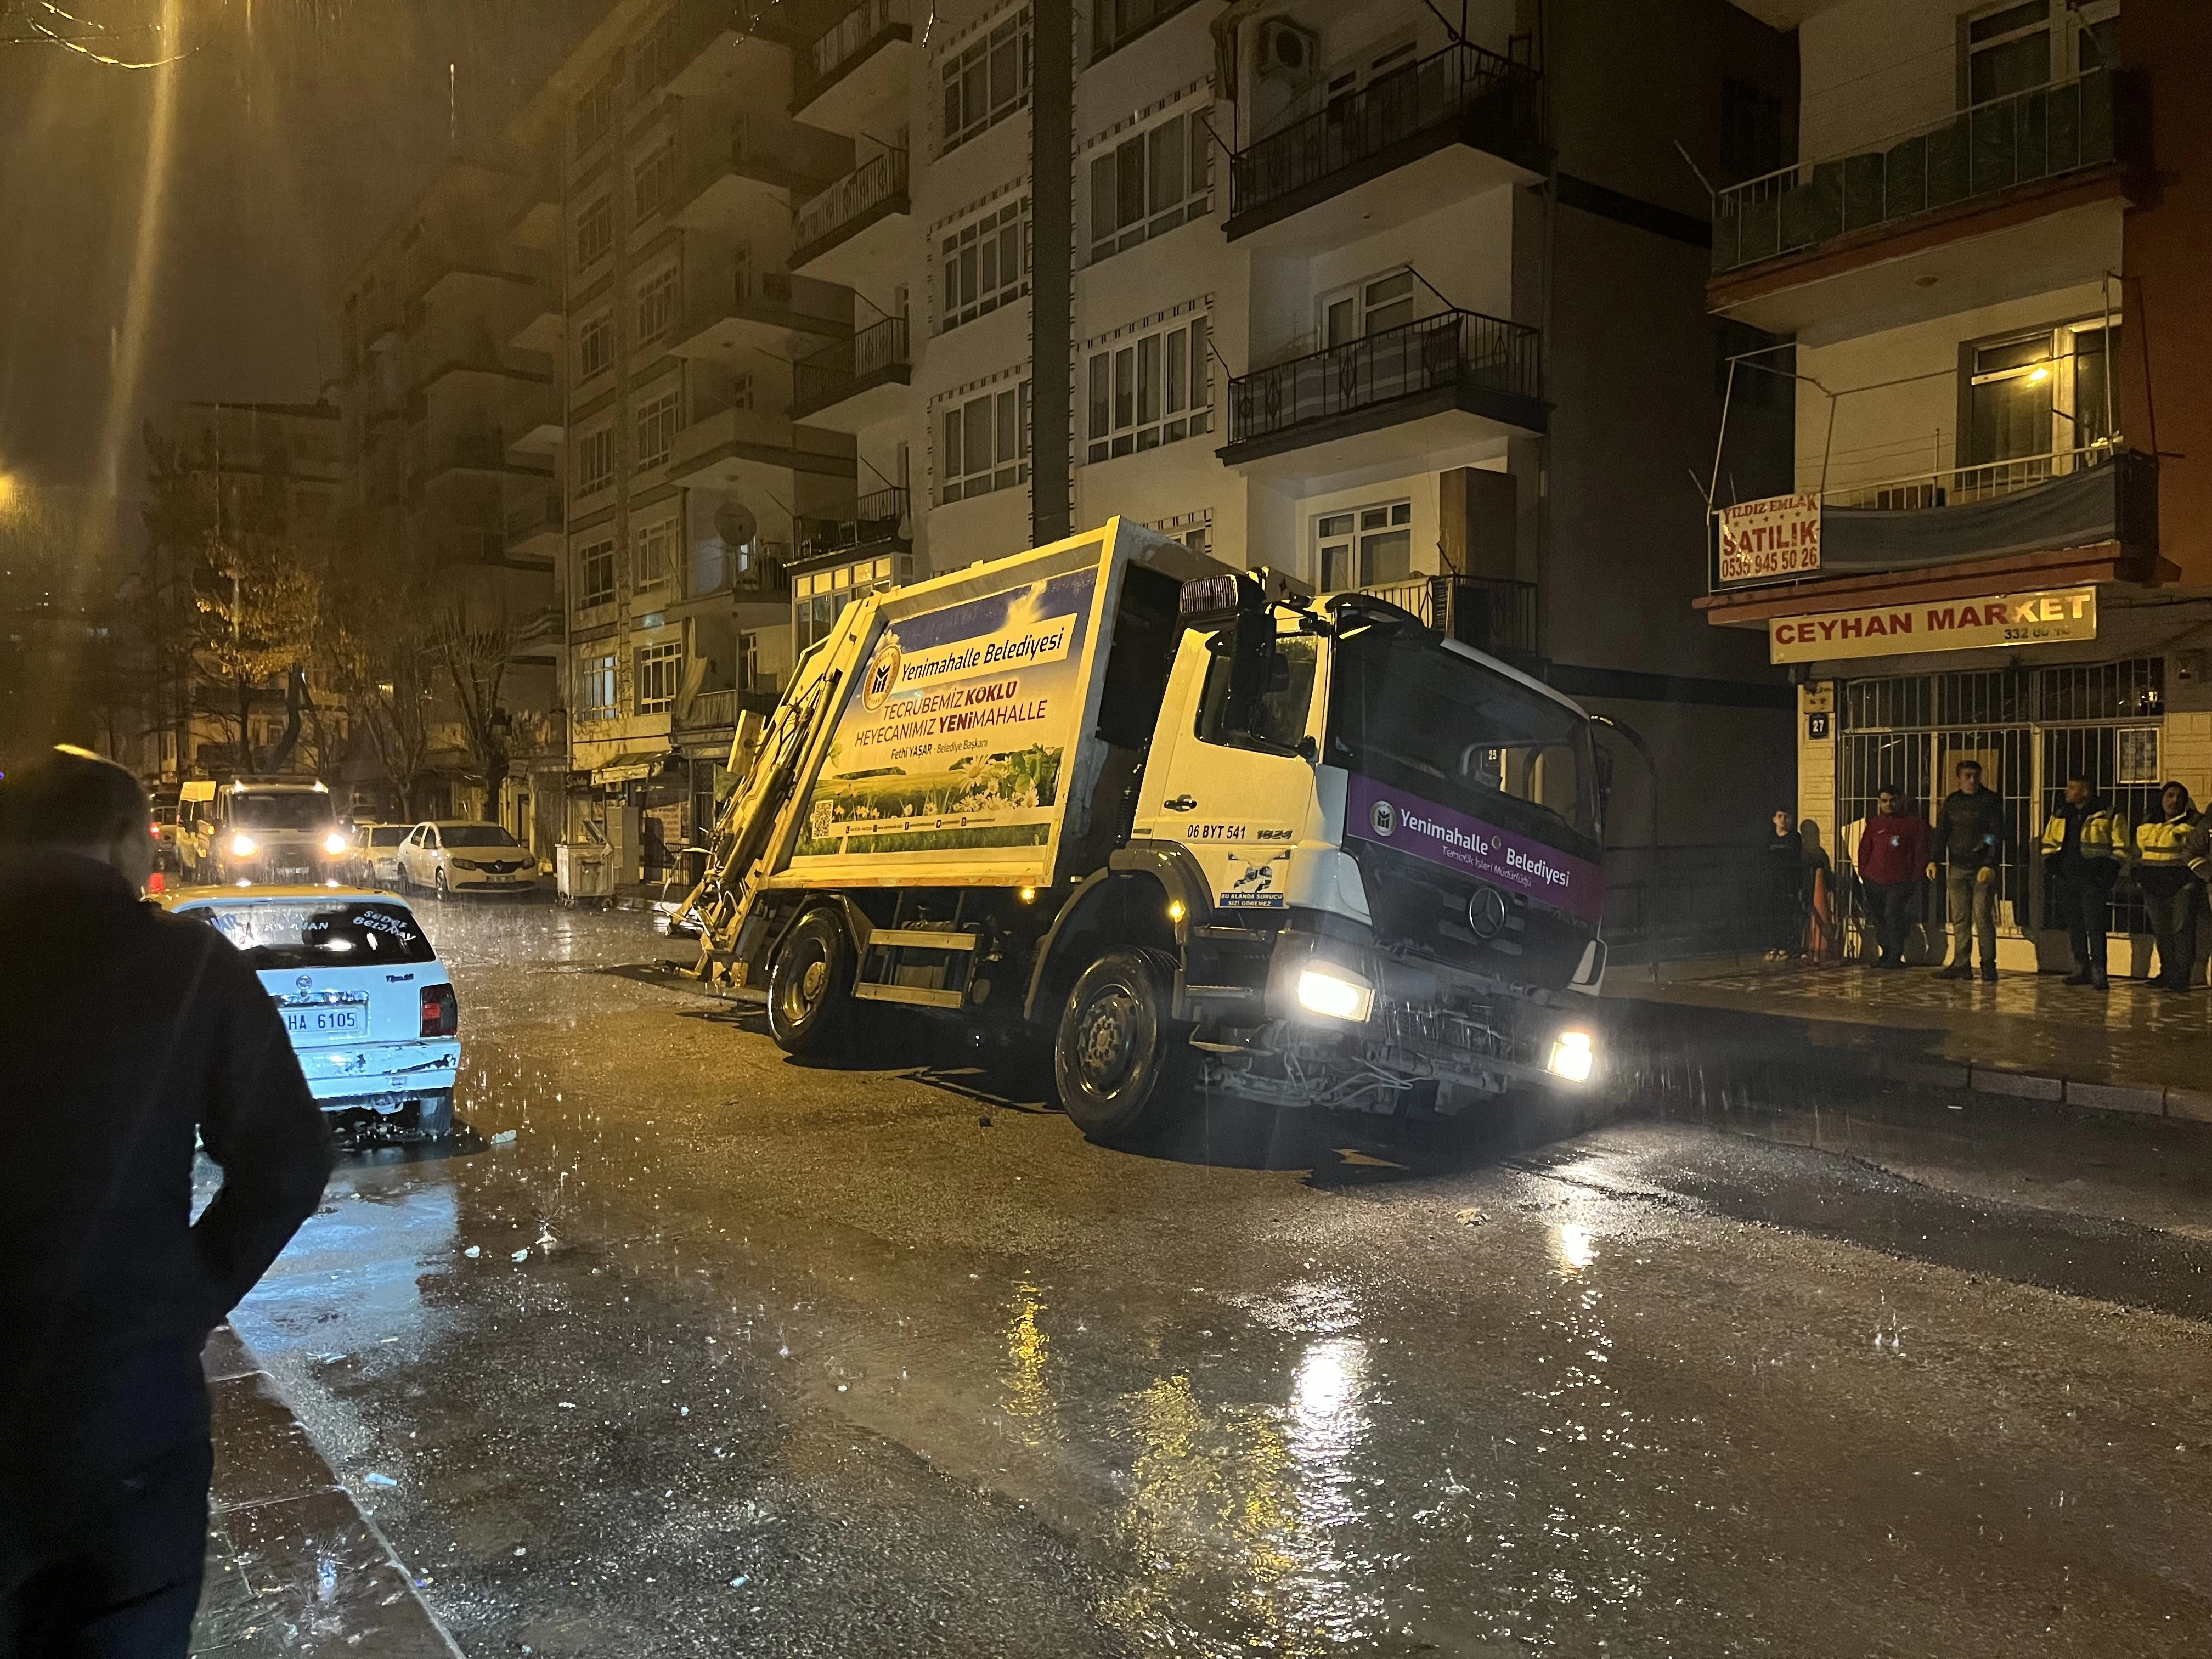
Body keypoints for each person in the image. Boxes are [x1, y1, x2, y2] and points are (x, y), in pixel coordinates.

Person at [0, 750, 333, 1655]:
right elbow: (289, 1158)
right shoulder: (178, 962)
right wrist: (178, 1302)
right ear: (122, 840)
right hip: (117, 1415)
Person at [2038, 772, 2129, 990]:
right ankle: (2081, 968)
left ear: (2085, 792)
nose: (2066, 791)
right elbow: (2049, 842)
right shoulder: (2061, 813)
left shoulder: (2108, 813)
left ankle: (2099, 970)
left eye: (2072, 788)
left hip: (2093, 880)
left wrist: (2107, 874)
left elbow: (2122, 848)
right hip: (2067, 878)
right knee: (2075, 926)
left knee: (2095, 926)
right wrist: (2052, 868)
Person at [1931, 759, 2007, 981]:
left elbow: (1995, 833)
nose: (1972, 780)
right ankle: (1962, 964)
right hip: (1958, 866)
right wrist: (1934, 859)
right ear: (1959, 778)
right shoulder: (1953, 802)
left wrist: (1990, 863)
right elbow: (1943, 831)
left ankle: (1988, 965)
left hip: (1981, 867)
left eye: (1976, 776)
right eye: (1968, 776)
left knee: (1982, 917)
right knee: (1960, 918)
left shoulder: (1990, 801)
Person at [2131, 780, 2209, 990]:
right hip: (2153, 888)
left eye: (2179, 797)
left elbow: (2200, 854)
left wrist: (2192, 883)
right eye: (2170, 796)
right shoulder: (2148, 823)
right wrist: (2138, 878)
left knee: (2182, 932)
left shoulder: (2194, 823)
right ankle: (2167, 973)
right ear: (2162, 799)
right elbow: (2137, 854)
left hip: (2181, 887)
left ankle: (2182, 977)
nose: (2174, 801)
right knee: (2162, 933)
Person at [1856, 785, 1929, 969]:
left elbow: (1921, 851)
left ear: (1901, 800)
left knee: (1893, 914)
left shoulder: (1913, 824)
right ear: (1879, 803)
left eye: (1893, 800)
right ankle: (1887, 951)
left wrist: (1915, 876)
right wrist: (1864, 873)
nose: (1889, 805)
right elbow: (1865, 849)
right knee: (1878, 917)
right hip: (1874, 880)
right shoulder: (1875, 824)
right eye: (1884, 801)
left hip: (1900, 880)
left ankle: (1896, 954)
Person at [1763, 808, 1801, 962]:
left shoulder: (1794, 838)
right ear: (1774, 819)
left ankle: (1786, 947)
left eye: (1786, 817)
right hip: (1772, 882)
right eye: (1780, 817)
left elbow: (1795, 860)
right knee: (1773, 916)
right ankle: (1774, 946)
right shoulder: (1769, 838)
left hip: (1788, 883)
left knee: (1787, 916)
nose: (1783, 820)